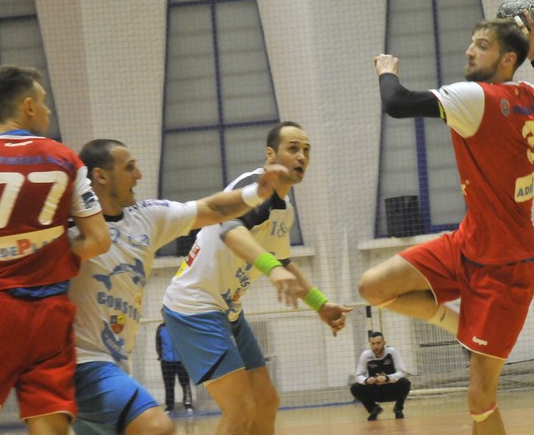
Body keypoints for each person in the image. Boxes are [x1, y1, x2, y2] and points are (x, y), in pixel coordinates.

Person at [359, 10, 534, 435]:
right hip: (468, 244)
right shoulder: (531, 97)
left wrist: (387, 71)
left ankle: (466, 333)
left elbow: (396, 103)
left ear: (506, 59)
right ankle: (458, 325)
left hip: (508, 268)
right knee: (372, 287)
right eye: (472, 42)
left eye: (482, 45)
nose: (469, 51)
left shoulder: (476, 97)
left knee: (480, 398)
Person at [0, 65, 111, 435]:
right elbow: (99, 240)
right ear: (28, 106)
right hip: (50, 316)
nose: (47, 110)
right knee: (50, 424)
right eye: (43, 102)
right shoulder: (67, 160)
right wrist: (54, 253)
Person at [68, 139, 289, 435]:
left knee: (262, 401)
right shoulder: (68, 234)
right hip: (80, 363)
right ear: (100, 176)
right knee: (159, 427)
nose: (139, 175)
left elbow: (211, 208)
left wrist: (256, 193)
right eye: (129, 168)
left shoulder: (145, 217)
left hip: (116, 361)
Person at [162, 121, 353, 435]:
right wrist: (272, 269)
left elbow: (283, 261)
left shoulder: (285, 209)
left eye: (306, 150)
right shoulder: (252, 187)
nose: (302, 156)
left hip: (228, 310)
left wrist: (319, 303)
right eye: (293, 148)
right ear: (270, 154)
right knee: (240, 410)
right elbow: (228, 229)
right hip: (194, 307)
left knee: (266, 401)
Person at [349, 331, 411, 421]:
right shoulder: (366, 355)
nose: (375, 346)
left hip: (391, 389)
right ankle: (374, 409)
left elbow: (402, 372)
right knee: (355, 388)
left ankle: (398, 409)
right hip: (375, 390)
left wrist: (387, 378)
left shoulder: (392, 352)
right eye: (373, 344)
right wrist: (366, 380)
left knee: (405, 383)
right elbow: (358, 375)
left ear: (384, 343)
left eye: (378, 343)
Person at [156, 321, 192, 415]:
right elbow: (158, 343)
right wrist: (161, 356)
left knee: (185, 384)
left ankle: (188, 404)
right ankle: (169, 406)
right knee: (168, 385)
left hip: (181, 361)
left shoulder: (180, 326)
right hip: (166, 362)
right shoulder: (161, 328)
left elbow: (187, 342)